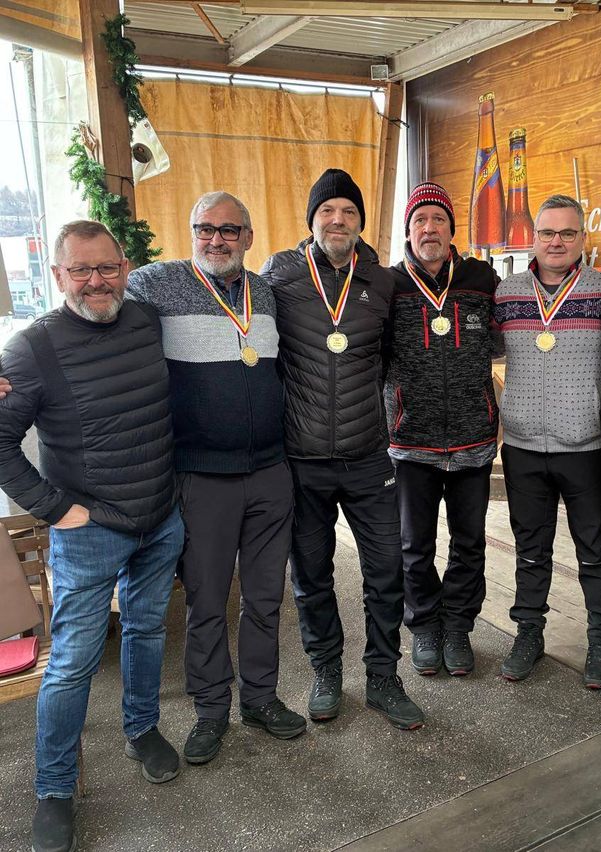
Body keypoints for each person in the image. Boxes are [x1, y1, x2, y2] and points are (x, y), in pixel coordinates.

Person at [0, 220, 183, 852]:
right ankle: (54, 787)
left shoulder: (149, 321)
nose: (96, 282)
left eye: (107, 268)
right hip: (88, 530)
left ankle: (141, 729)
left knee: (147, 628)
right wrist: (56, 509)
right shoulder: (31, 349)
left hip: (160, 517)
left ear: (126, 267)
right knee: (72, 663)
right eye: (80, 270)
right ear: (57, 276)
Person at [127, 191, 304, 765]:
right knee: (206, 602)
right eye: (205, 228)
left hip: (271, 472)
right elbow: (92, 312)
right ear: (191, 231)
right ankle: (210, 711)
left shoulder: (269, 293)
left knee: (264, 598)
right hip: (201, 478)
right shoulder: (157, 284)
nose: (217, 239)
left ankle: (260, 697)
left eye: (230, 230)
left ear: (249, 237)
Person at [261, 169, 424, 730]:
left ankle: (383, 676)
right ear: (311, 221)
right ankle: (326, 670)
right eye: (327, 210)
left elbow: (393, 356)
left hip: (368, 457)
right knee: (311, 574)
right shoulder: (280, 276)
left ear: (360, 222)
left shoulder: (381, 281)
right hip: (301, 460)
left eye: (349, 212)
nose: (338, 220)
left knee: (385, 570)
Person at [493, 194, 601, 686]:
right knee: (529, 548)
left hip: (585, 444)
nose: (556, 241)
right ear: (534, 236)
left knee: (594, 548)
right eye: (548, 232)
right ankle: (529, 633)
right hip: (523, 443)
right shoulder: (506, 293)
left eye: (568, 233)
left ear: (583, 239)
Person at [384, 182, 499, 677]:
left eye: (438, 220)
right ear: (408, 231)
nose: (429, 229)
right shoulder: (389, 286)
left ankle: (458, 627)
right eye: (419, 221)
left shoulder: (481, 280)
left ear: (452, 229)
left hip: (474, 438)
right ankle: (425, 626)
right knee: (415, 544)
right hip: (412, 441)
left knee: (470, 542)